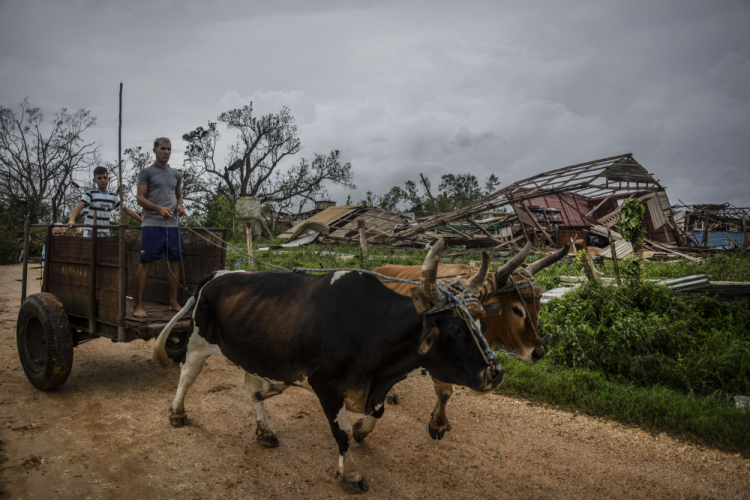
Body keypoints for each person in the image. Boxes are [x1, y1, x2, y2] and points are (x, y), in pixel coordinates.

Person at [133, 137, 187, 318]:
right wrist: (158, 209)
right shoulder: (147, 172)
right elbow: (140, 198)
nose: (166, 152)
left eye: (169, 149)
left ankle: (173, 302)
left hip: (172, 226)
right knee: (146, 264)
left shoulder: (176, 174)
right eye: (163, 149)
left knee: (175, 263)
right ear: (155, 150)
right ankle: (138, 306)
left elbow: (178, 197)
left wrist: (180, 206)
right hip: (152, 225)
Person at [67, 166, 143, 236]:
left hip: (105, 231)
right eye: (99, 178)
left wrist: (142, 221)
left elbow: (127, 210)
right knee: (89, 250)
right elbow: (79, 207)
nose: (102, 180)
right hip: (91, 230)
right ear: (94, 180)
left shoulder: (113, 196)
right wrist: (71, 220)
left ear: (108, 179)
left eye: (104, 177)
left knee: (106, 250)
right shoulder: (90, 194)